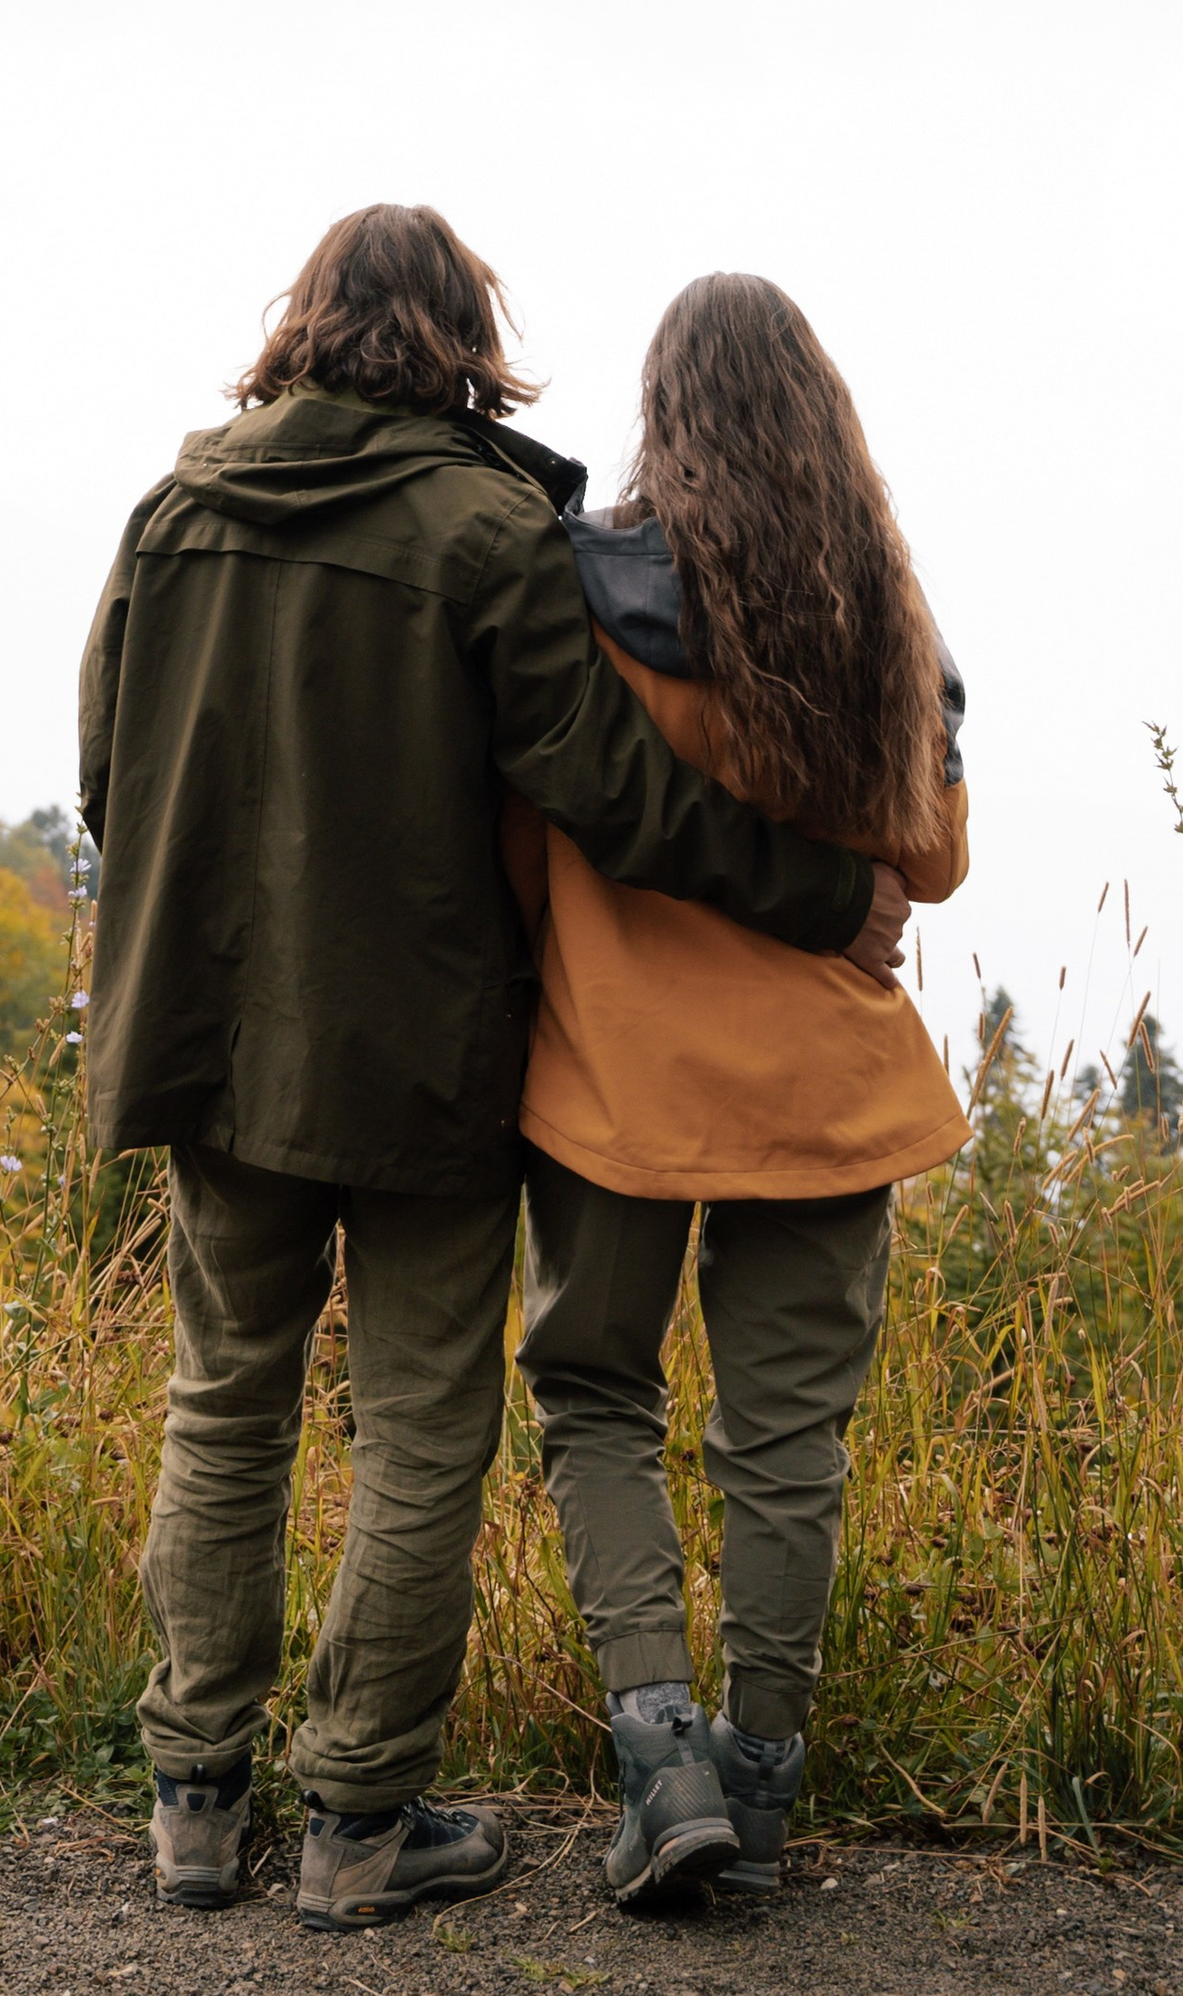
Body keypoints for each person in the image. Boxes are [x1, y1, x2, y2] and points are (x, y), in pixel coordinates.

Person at [78, 207, 908, 1936]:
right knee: (421, 1432)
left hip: (210, 1044)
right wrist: (828, 893)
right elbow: (613, 795)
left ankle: (191, 1805)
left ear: (302, 322)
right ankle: (358, 1824)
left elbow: (106, 769)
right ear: (464, 334)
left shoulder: (177, 512)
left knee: (224, 1401)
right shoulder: (485, 527)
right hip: (420, 1066)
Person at [507, 273, 968, 1907]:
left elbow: (537, 813)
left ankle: (662, 1757)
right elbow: (937, 861)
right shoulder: (875, 613)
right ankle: (759, 1794)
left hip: (618, 1087)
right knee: (787, 1450)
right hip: (829, 1099)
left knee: (595, 1395)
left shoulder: (582, 592)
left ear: (664, 415)